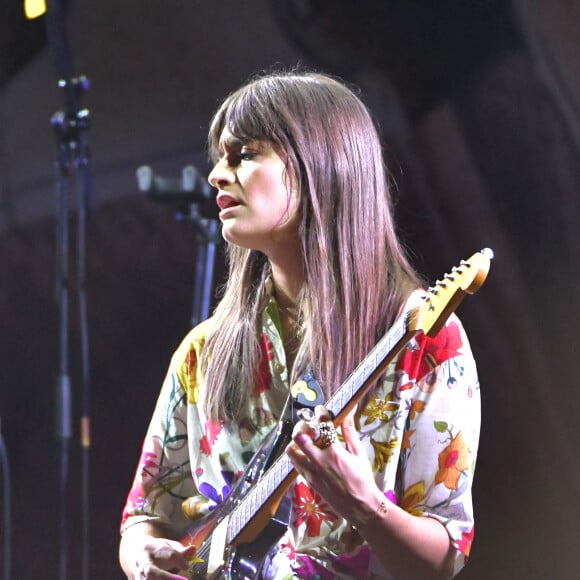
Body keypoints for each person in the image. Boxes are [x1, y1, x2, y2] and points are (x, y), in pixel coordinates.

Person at [119, 70, 480, 580]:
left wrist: (364, 505)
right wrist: (141, 557)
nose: (217, 176)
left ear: (321, 165)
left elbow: (441, 561)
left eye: (244, 154)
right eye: (220, 158)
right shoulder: (201, 354)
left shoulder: (423, 339)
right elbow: (145, 516)